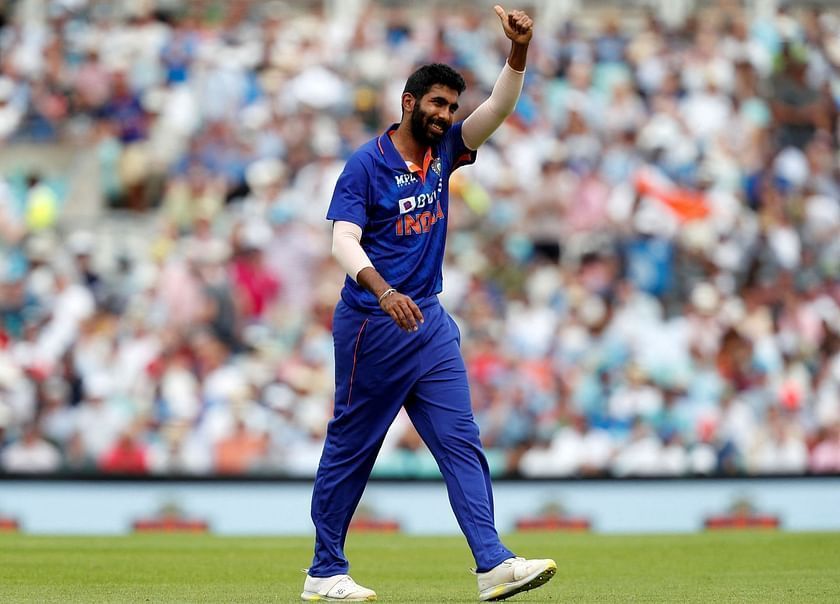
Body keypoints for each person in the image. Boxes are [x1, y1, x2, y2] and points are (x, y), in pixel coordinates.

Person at [302, 6, 556, 602]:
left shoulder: (445, 153)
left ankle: (491, 563)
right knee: (354, 446)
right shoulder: (367, 164)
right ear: (408, 102)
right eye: (437, 104)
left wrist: (518, 51)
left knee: (460, 440)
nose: (446, 115)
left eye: (451, 106)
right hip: (373, 323)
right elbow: (342, 238)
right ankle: (323, 571)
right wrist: (382, 290)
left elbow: (497, 109)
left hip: (430, 323)